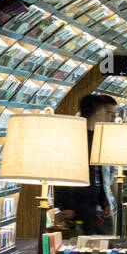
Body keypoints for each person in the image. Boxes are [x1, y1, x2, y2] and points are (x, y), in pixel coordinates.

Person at [52, 93, 117, 235]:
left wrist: (108, 202)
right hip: (77, 210)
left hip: (99, 209)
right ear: (97, 112)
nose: (113, 118)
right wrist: (62, 207)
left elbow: (107, 174)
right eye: (109, 113)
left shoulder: (103, 138)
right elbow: (61, 173)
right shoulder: (73, 138)